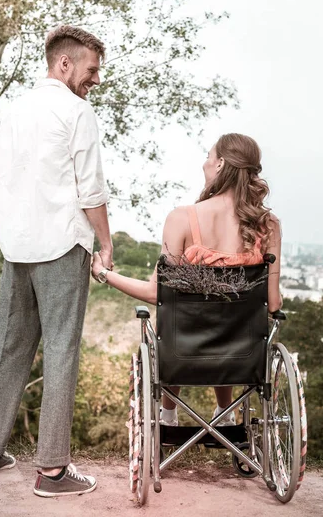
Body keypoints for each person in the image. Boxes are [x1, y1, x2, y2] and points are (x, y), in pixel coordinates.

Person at [0, 25, 113, 498]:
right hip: (61, 246)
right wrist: (105, 244)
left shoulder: (10, 112)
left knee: (8, 348)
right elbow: (89, 188)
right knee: (60, 353)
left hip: (16, 246)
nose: (95, 80)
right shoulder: (77, 112)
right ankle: (52, 471)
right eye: (92, 71)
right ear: (65, 63)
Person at [92, 133, 282, 426]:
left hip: (183, 353)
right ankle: (225, 411)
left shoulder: (181, 218)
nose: (203, 164)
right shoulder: (268, 225)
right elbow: (273, 304)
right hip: (240, 355)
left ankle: (168, 414)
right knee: (227, 316)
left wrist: (104, 274)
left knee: (177, 316)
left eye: (208, 156)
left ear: (220, 164)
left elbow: (157, 294)